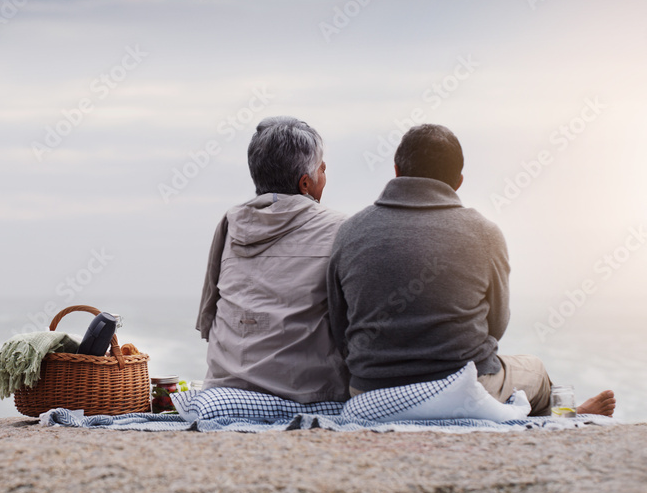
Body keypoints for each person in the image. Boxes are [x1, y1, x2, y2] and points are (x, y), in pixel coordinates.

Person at [326, 123, 615, 416]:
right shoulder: (484, 232)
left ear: (397, 170)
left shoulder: (350, 231)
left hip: (370, 390)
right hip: (461, 388)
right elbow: (497, 325)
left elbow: (339, 328)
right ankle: (562, 421)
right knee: (536, 373)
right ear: (459, 181)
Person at [196, 116, 350, 403]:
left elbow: (208, 315)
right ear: (306, 183)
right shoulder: (341, 228)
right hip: (311, 394)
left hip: (225, 390)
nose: (325, 175)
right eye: (322, 169)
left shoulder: (231, 221)